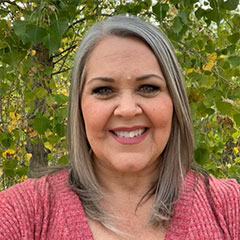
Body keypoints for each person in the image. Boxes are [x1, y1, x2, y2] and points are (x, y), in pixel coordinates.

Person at [0, 15, 239, 240]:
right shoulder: (20, 214)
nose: (127, 109)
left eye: (148, 87)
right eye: (103, 90)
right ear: (79, 106)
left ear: (175, 101)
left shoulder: (230, 210)